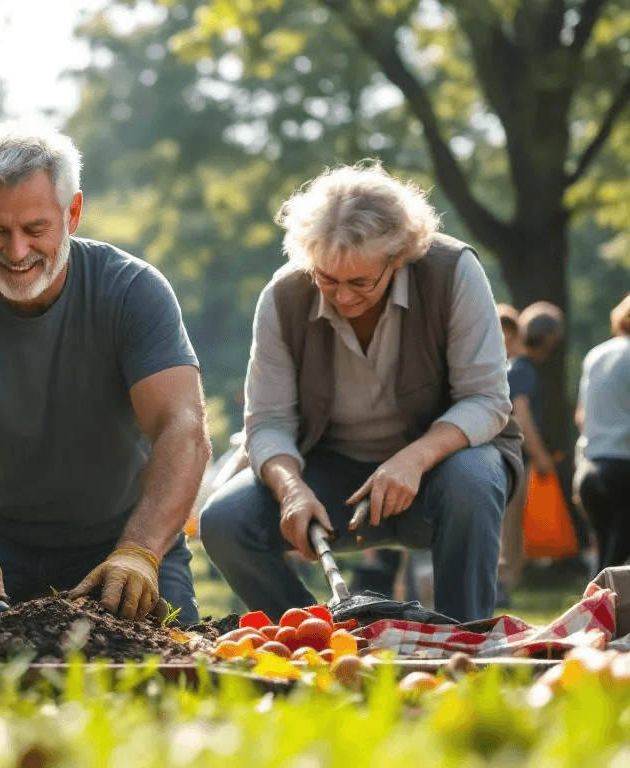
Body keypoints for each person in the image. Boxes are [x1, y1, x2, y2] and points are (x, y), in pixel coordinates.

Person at [0, 121, 210, 624]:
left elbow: (183, 431)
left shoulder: (133, 293)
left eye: (35, 229)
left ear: (72, 212)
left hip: (121, 538)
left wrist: (141, 550)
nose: (16, 253)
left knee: (178, 666)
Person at [199, 162, 522, 624]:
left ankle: (465, 644)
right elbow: (267, 422)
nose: (343, 298)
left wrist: (414, 458)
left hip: (441, 472)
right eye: (327, 280)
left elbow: (488, 400)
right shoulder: (282, 296)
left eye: (360, 282)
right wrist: (291, 490)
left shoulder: (454, 271)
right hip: (329, 477)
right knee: (225, 522)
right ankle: (317, 633)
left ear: (399, 257)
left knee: (473, 475)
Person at [496, 301, 566, 603]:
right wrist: (541, 458)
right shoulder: (524, 370)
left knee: (511, 535)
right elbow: (521, 415)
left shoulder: (514, 367)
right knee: (510, 537)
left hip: (506, 458)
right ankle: (499, 593)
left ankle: (502, 591)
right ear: (549, 338)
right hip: (514, 460)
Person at [575, 293, 630, 570]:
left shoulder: (596, 354)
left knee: (604, 562)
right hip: (623, 467)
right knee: (616, 563)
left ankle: (593, 610)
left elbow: (581, 415)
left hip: (590, 467)